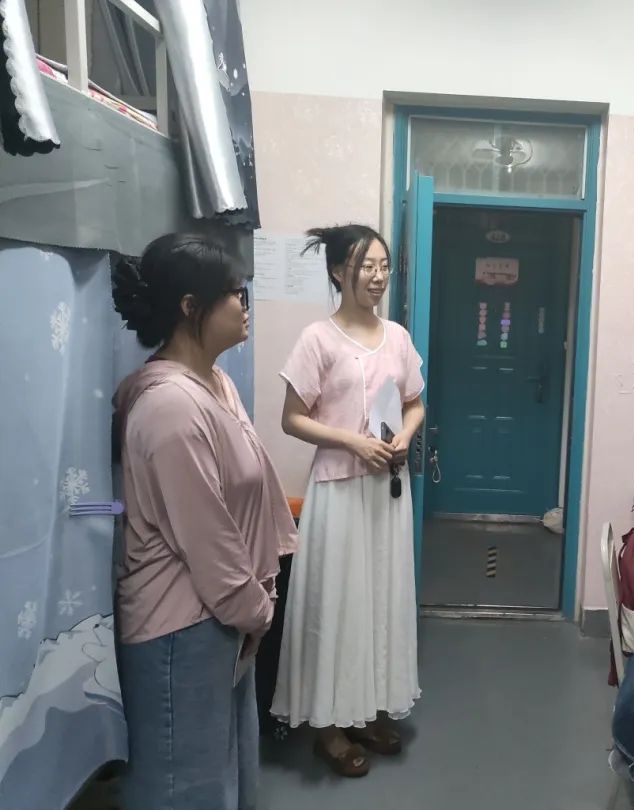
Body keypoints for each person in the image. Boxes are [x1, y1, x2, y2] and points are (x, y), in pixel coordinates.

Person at [111, 233, 297, 809]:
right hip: (182, 627)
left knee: (225, 780)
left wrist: (254, 606)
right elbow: (207, 540)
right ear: (191, 307)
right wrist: (258, 612)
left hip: (224, 616)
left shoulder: (215, 383)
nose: (244, 304)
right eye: (233, 294)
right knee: (185, 789)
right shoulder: (170, 406)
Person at [271, 224, 426, 777]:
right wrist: (353, 442)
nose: (378, 276)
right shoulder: (318, 339)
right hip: (338, 491)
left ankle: (367, 711)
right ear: (339, 273)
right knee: (337, 604)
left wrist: (404, 435)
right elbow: (292, 419)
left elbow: (414, 402)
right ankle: (329, 728)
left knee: (380, 601)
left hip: (387, 492)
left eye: (383, 265)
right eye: (366, 266)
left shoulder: (398, 337)